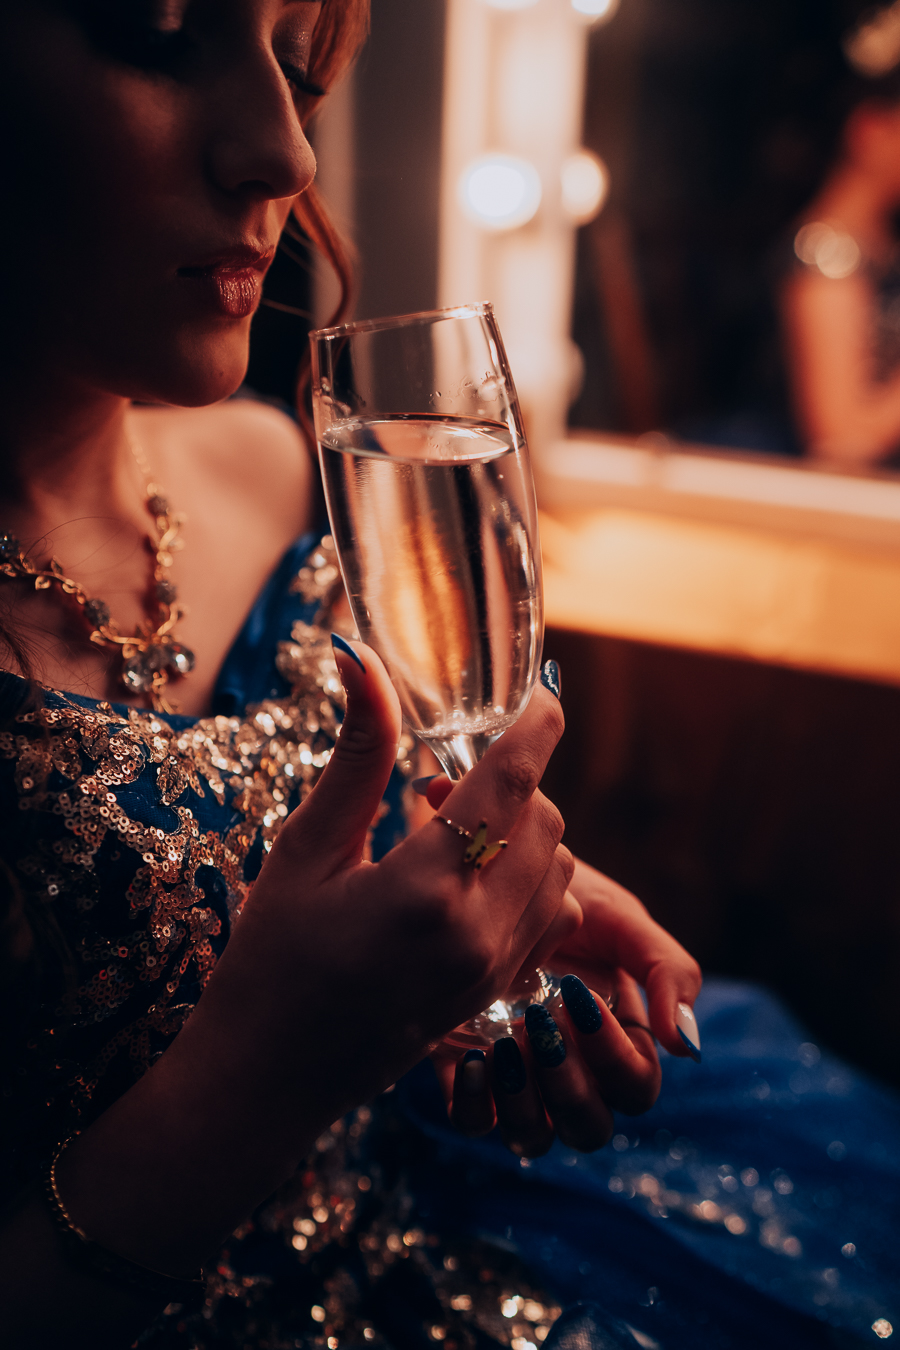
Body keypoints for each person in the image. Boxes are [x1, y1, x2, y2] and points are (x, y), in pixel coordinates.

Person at [0, 3, 703, 1347]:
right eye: (160, 30)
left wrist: (428, 971)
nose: (288, 153)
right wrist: (265, 1077)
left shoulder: (271, 466)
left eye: (296, 63)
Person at [780, 33, 900, 467]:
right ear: (869, 130)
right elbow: (840, 440)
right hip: (792, 488)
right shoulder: (824, 255)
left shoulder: (882, 244)